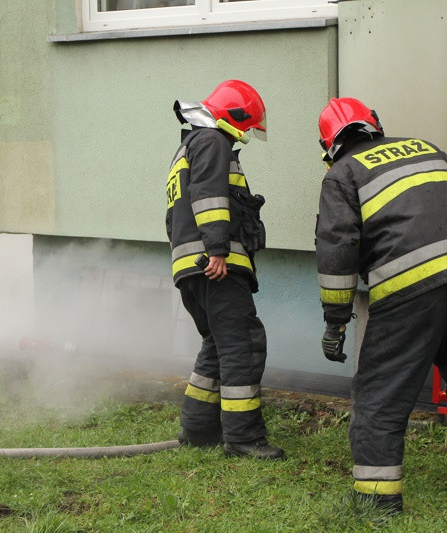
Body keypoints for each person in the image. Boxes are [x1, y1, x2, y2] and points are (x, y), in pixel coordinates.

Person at [314, 97, 447, 513]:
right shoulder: (423, 147)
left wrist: (335, 322)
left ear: (329, 146)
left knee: (382, 390)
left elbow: (338, 251)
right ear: (374, 126)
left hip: (407, 288)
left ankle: (377, 503)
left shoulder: (343, 175)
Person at [166, 80, 283, 460]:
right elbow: (210, 196)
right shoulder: (212, 141)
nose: (247, 134)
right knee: (241, 346)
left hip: (190, 268)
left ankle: (199, 430)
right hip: (215, 266)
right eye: (246, 125)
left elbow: (179, 212)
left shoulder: (189, 146)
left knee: (217, 345)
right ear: (233, 117)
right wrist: (217, 251)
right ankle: (244, 439)